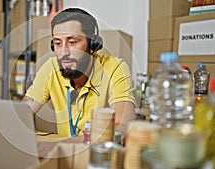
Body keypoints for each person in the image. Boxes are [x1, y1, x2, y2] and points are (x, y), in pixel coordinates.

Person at [24, 8, 136, 138]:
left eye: (72, 42)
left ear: (93, 44)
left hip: (98, 154)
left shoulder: (116, 68)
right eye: (58, 43)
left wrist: (78, 145)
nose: (64, 52)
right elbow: (24, 111)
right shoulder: (50, 67)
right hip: (65, 152)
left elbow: (121, 126)